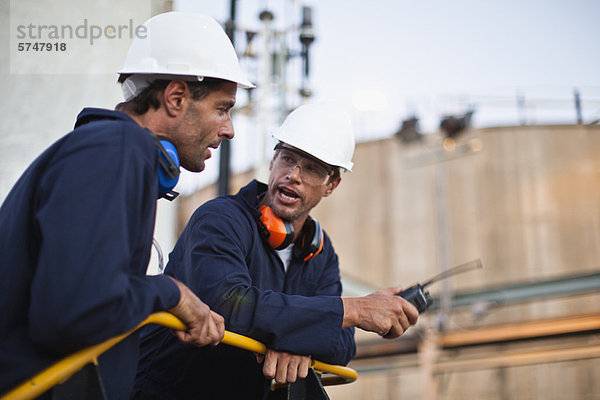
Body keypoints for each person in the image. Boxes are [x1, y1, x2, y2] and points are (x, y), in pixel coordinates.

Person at [0, 12, 253, 399]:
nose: (229, 128)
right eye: (223, 108)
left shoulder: (108, 152)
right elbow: (75, 313)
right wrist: (172, 294)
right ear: (176, 97)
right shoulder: (117, 149)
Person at [133, 103, 419, 399]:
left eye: (312, 169)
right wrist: (354, 310)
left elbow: (343, 346)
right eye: (287, 158)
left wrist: (292, 338)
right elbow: (228, 305)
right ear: (272, 162)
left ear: (331, 185)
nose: (293, 175)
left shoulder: (321, 254)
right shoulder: (220, 219)